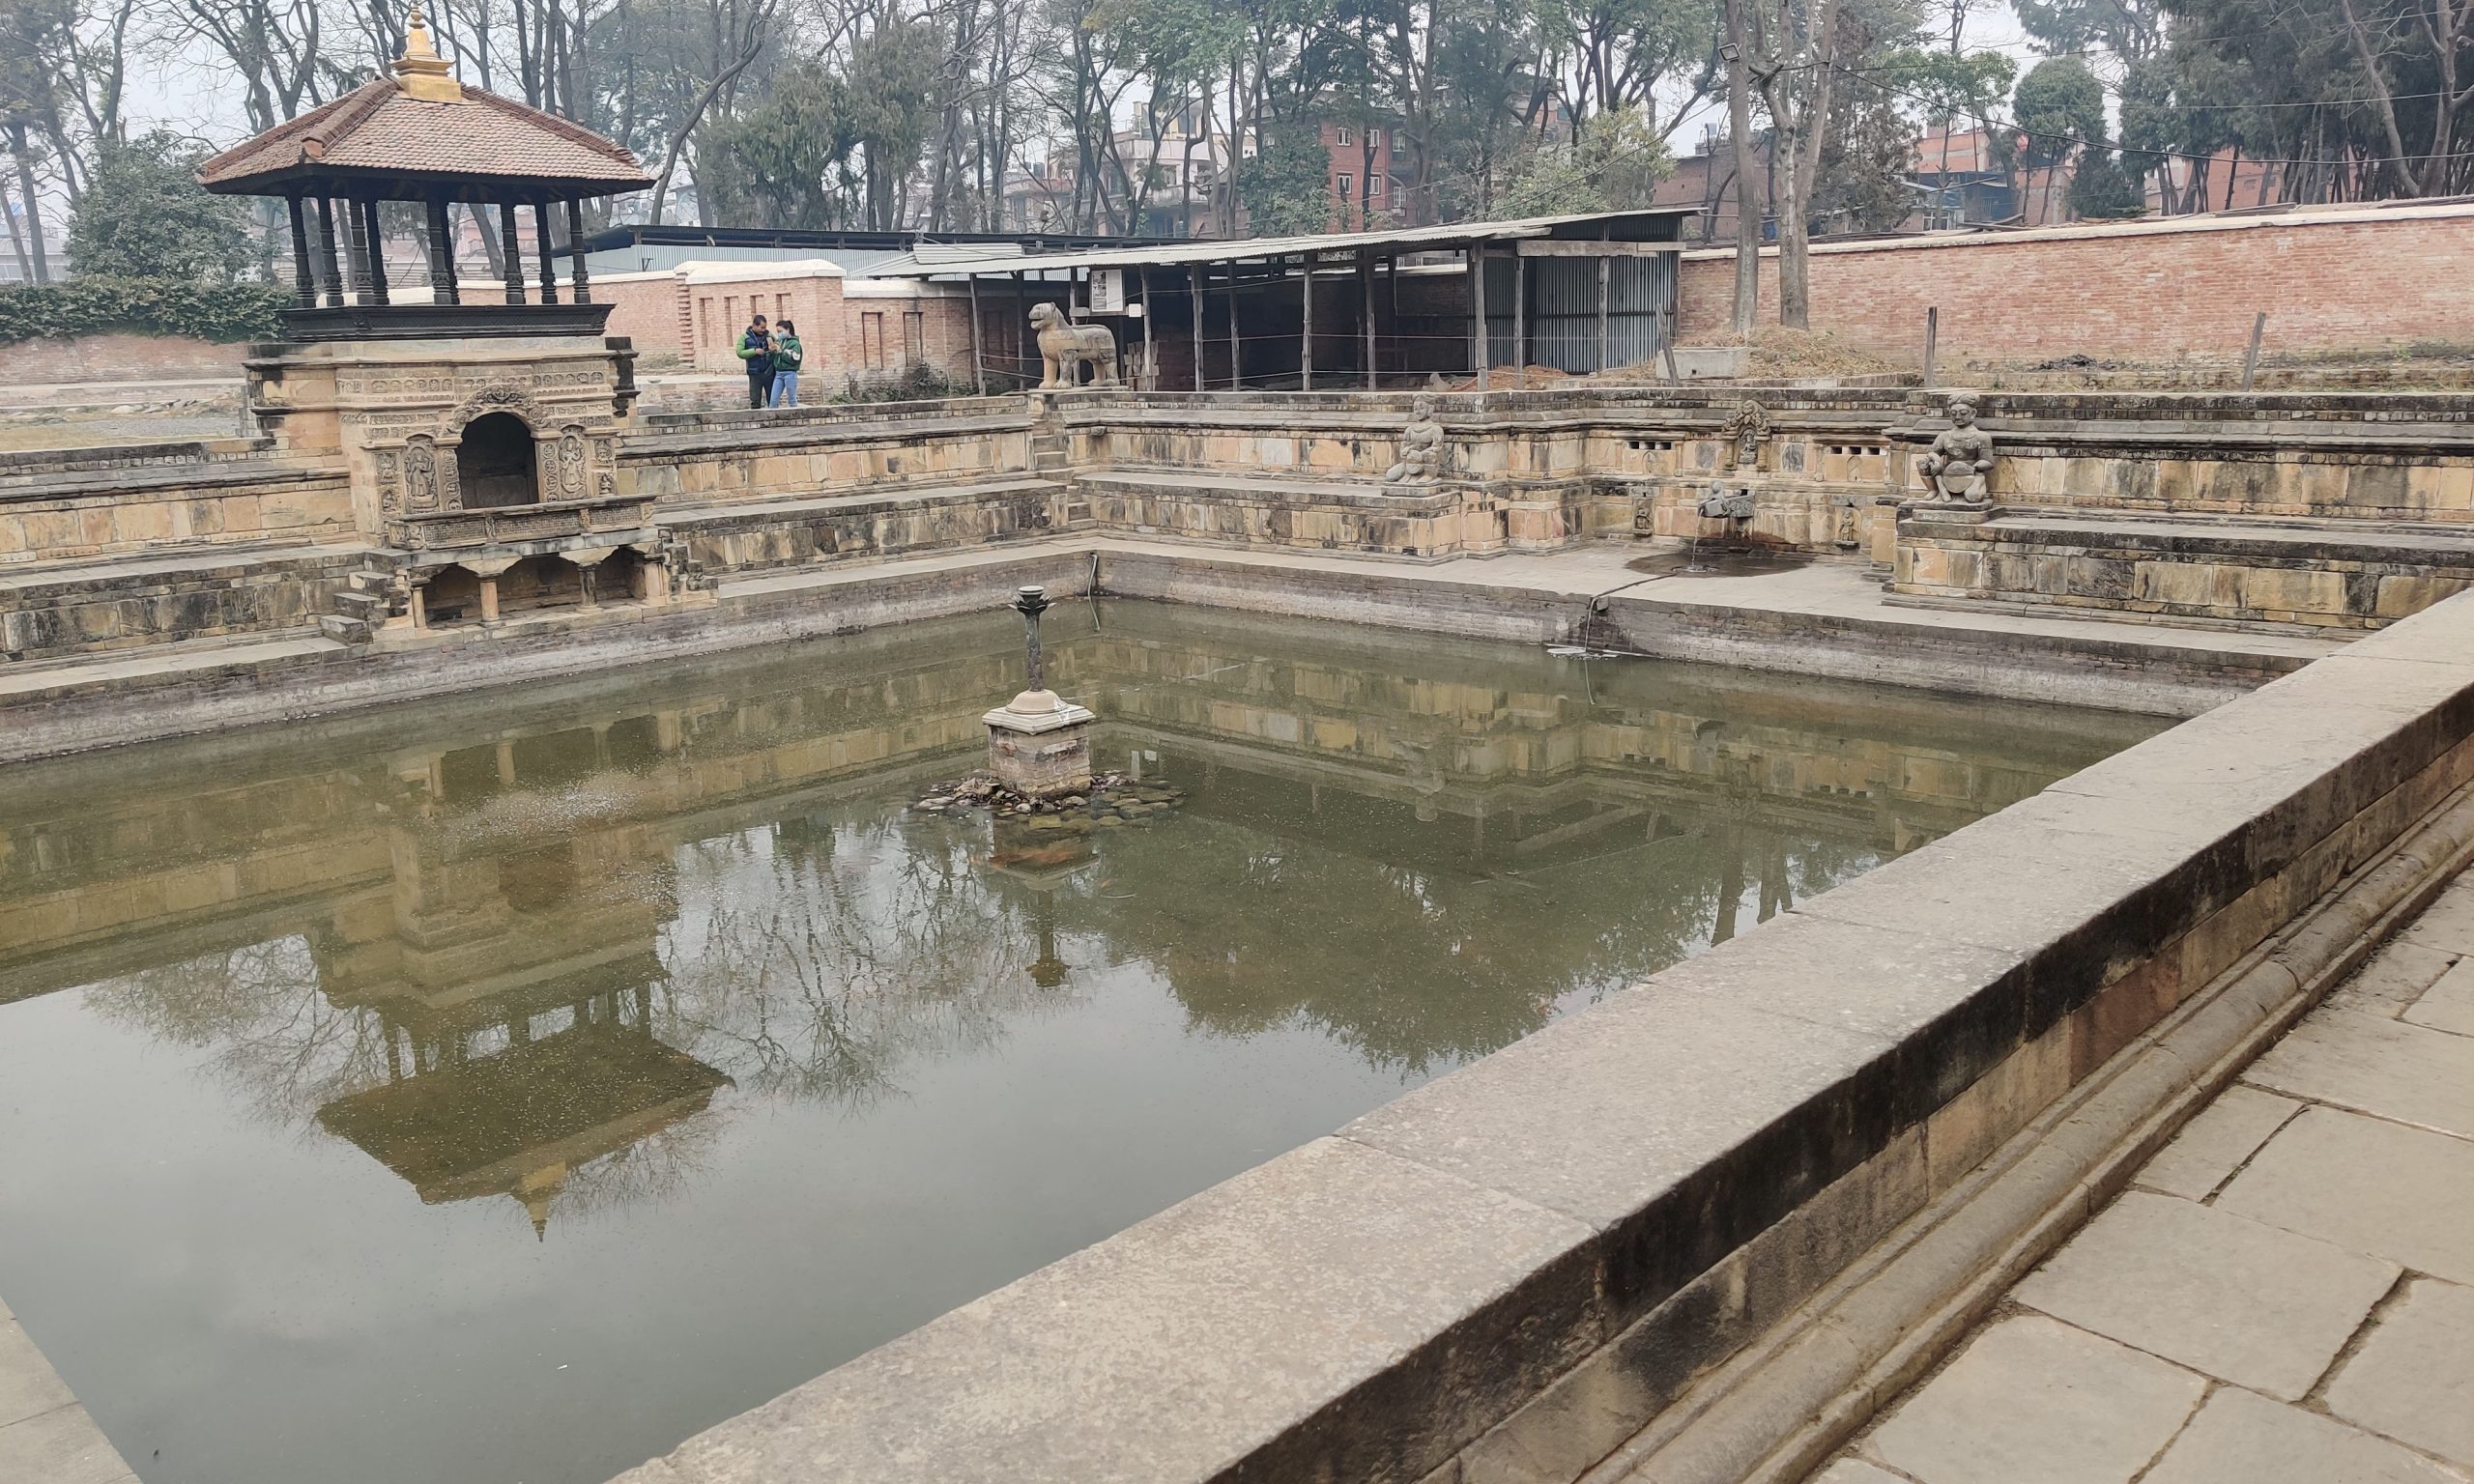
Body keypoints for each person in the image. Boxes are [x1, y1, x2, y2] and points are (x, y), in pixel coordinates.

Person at [735, 313, 773, 409]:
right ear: (754, 325)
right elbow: (739, 352)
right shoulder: (744, 337)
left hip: (769, 371)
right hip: (754, 372)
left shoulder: (768, 335)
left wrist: (772, 344)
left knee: (773, 399)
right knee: (755, 400)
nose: (763, 330)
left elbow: (778, 343)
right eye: (762, 327)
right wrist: (754, 351)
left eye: (765, 327)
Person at [769, 319, 804, 408]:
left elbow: (794, 360)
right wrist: (771, 351)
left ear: (787, 330)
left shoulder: (795, 343)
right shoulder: (779, 342)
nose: (779, 334)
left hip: (790, 373)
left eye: (780, 331)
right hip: (778, 373)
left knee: (791, 399)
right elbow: (774, 357)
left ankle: (796, 418)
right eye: (777, 332)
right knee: (773, 400)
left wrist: (780, 351)